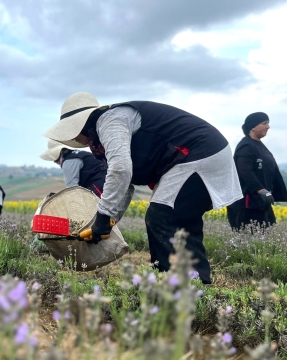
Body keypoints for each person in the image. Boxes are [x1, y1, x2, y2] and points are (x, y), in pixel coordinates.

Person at [44, 92, 243, 284]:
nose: (74, 138)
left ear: (81, 123)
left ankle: (177, 285)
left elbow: (121, 170)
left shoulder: (110, 121)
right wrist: (107, 222)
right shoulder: (105, 131)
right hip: (201, 153)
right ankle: (193, 283)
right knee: (179, 219)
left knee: (163, 217)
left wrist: (104, 217)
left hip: (199, 153)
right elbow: (125, 185)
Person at [227, 112, 287, 230]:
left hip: (260, 202)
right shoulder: (246, 146)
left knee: (267, 236)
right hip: (247, 204)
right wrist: (261, 190)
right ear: (253, 127)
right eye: (264, 123)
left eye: (268, 123)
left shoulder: (257, 145)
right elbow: (245, 171)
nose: (268, 127)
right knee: (251, 239)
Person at [40, 139, 107, 197]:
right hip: (107, 183)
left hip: (100, 188)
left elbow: (72, 189)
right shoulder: (79, 154)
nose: (54, 161)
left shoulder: (69, 161)